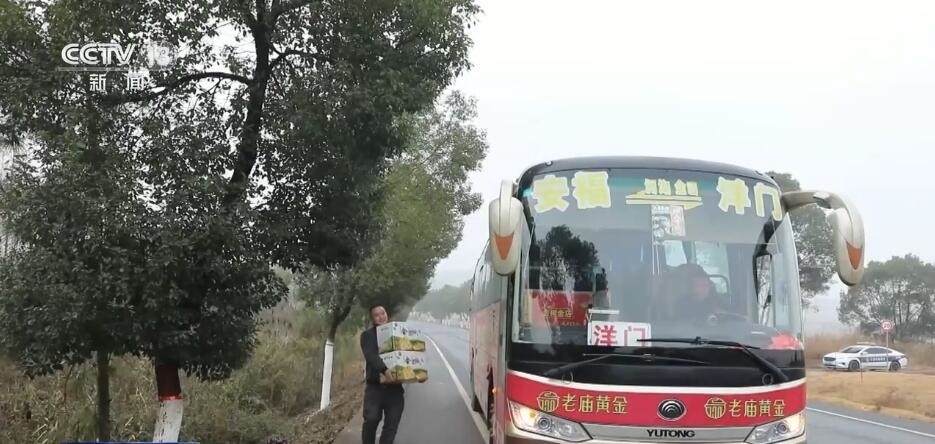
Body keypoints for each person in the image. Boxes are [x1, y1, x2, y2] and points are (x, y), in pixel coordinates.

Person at [360, 304, 405, 444]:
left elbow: (407, 354)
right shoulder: (367, 336)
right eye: (376, 315)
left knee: (391, 428)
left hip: (395, 390)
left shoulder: (397, 334)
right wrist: (385, 370)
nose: (380, 317)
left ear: (387, 314)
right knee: (371, 420)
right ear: (372, 319)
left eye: (383, 313)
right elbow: (371, 356)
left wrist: (417, 374)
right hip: (375, 389)